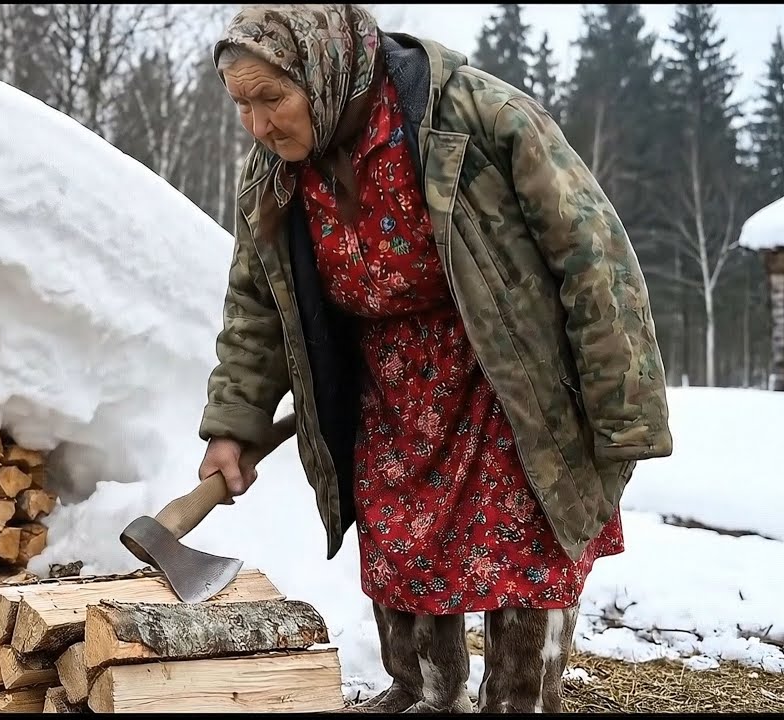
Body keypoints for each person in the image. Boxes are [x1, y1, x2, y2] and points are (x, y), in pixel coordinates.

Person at [195, 4, 673, 714]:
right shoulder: (273, 175)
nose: (259, 125)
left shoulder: (477, 118)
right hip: (389, 390)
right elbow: (257, 307)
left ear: (324, 71)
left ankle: (521, 701)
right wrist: (233, 422)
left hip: (508, 372)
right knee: (402, 550)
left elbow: (593, 256)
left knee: (524, 548)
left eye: (272, 98)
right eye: (242, 105)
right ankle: (423, 695)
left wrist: (623, 410)